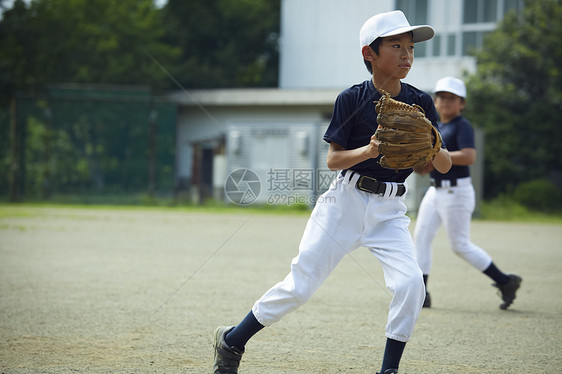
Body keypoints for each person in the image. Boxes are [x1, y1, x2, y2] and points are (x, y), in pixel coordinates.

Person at [213, 11, 451, 374]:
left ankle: (388, 370)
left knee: (411, 286)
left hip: (390, 209)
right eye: (396, 46)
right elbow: (333, 160)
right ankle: (232, 341)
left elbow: (442, 165)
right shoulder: (352, 98)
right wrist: (370, 151)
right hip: (345, 202)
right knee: (300, 287)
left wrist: (434, 142)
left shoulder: (422, 102)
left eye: (411, 48)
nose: (407, 55)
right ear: (369, 53)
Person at [413, 76, 522, 310]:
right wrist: (422, 162)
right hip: (435, 191)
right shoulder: (435, 126)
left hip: (456, 192)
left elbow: (469, 156)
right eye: (441, 96)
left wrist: (435, 156)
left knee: (460, 245)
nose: (445, 102)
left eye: (452, 98)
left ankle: (505, 281)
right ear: (435, 100)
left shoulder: (461, 125)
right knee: (421, 237)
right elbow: (431, 160)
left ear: (462, 103)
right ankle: (421, 293)